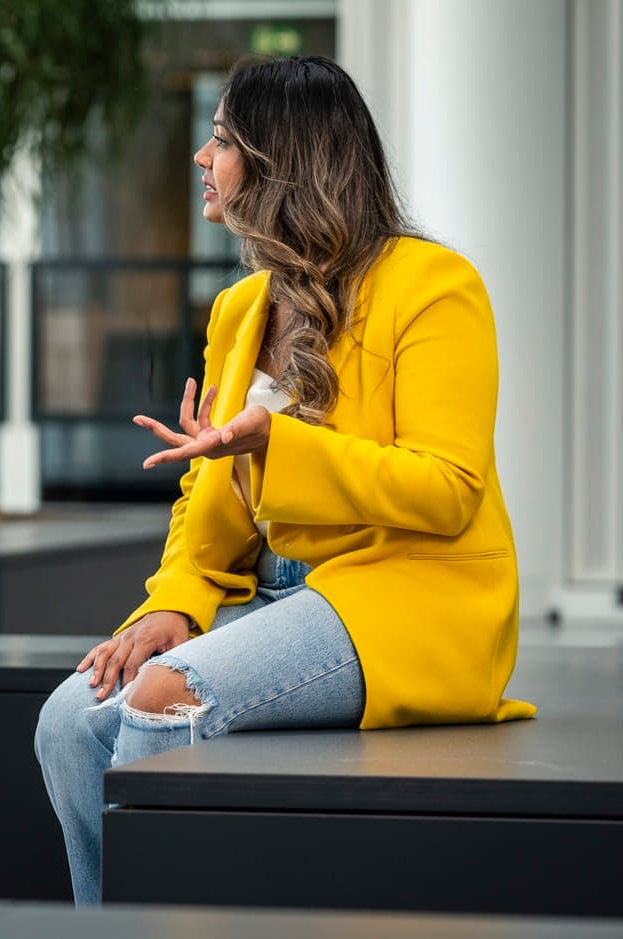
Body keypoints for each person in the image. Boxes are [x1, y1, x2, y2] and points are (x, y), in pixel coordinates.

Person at [33, 55, 535, 906]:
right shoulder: (240, 309)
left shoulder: (436, 287)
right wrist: (174, 601)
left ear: (279, 162)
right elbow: (207, 502)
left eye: (221, 138)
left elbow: (449, 487)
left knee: (160, 699)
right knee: (66, 722)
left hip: (402, 598)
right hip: (274, 596)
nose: (201, 157)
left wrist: (277, 444)